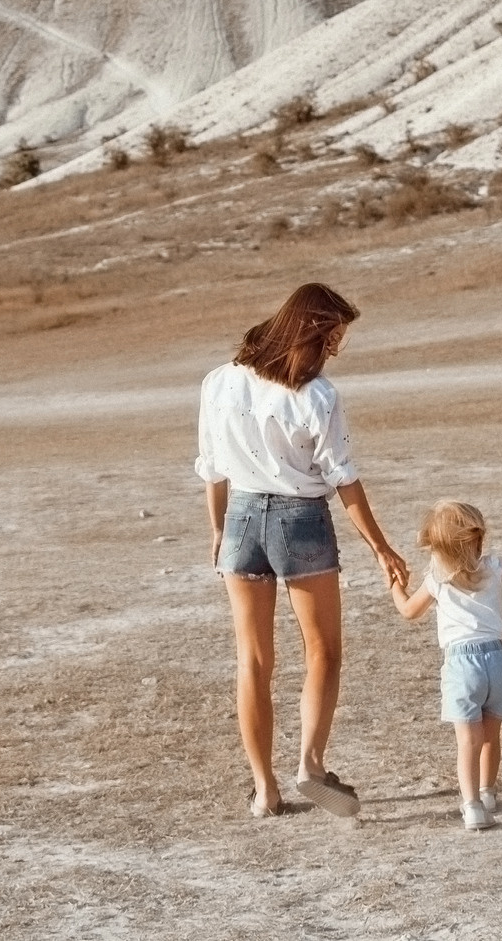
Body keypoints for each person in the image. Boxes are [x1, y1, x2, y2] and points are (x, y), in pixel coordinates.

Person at [196, 282, 412, 818]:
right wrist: (381, 548)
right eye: (334, 336)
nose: (337, 348)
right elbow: (344, 481)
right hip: (302, 520)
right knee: (323, 650)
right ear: (310, 331)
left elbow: (212, 467)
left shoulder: (219, 382)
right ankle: (311, 767)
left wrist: (218, 528)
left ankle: (264, 789)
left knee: (252, 660)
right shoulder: (317, 396)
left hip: (242, 518)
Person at [388, 499, 502, 831]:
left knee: (468, 741)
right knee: (491, 736)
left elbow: (408, 611)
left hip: (461, 664)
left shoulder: (437, 579)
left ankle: (472, 806)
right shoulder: (494, 567)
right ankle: (488, 793)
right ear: (478, 538)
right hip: (498, 659)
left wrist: (395, 586)